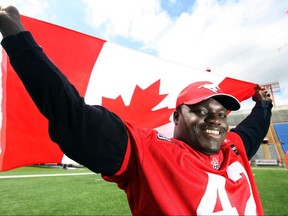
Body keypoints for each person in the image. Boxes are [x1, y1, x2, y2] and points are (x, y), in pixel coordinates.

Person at [0, 6, 273, 215]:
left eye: (222, 114)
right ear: (177, 115)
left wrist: (263, 103)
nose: (215, 119)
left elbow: (256, 124)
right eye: (201, 110)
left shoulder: (233, 148)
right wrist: (18, 40)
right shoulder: (149, 153)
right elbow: (72, 116)